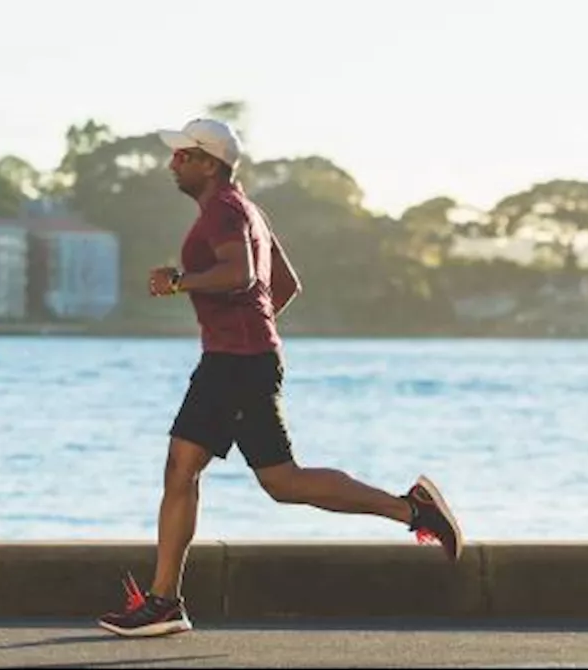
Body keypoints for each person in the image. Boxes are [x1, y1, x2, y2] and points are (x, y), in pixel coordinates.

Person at [97, 118, 463, 638]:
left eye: (184, 155)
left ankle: (164, 602)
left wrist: (182, 282)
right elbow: (283, 285)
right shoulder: (246, 209)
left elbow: (242, 275)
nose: (173, 162)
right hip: (242, 358)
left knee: (203, 471)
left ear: (210, 162)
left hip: (235, 363)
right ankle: (411, 509)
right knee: (259, 478)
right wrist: (252, 329)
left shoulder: (223, 210)